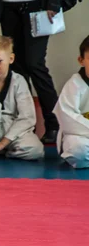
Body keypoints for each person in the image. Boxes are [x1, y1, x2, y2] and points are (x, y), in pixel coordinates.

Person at [0, 0, 69, 144]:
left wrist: (53, 3)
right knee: (16, 69)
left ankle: (54, 124)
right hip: (8, 8)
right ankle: (23, 128)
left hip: (38, 7)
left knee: (34, 63)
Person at [53, 36, 89, 169]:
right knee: (79, 151)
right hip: (78, 136)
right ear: (81, 60)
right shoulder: (74, 84)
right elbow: (67, 119)